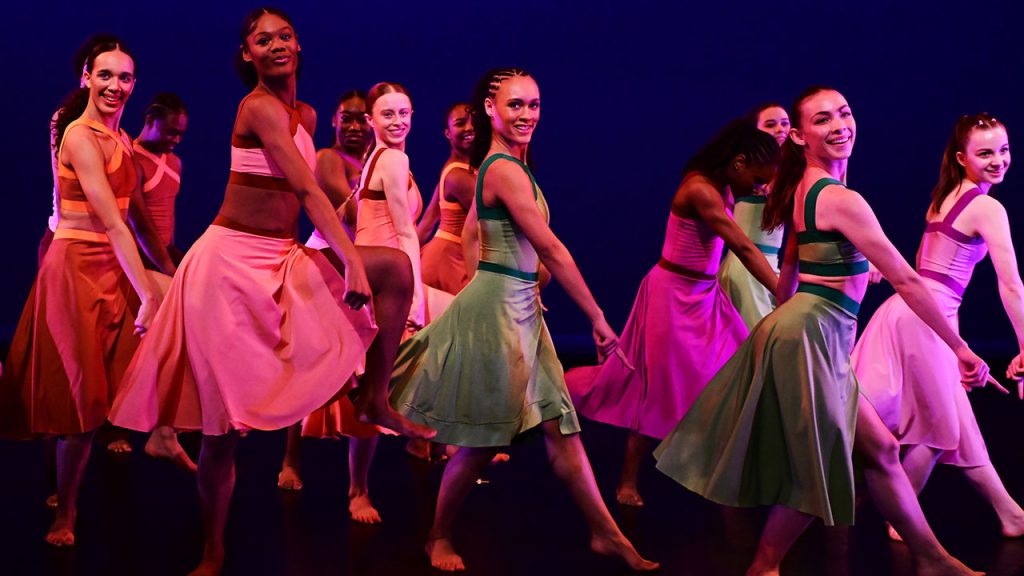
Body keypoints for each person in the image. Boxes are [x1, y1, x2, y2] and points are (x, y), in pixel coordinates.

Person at [109, 9, 431, 574]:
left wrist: (359, 231)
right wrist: (350, 259)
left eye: (284, 36)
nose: (276, 45)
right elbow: (304, 187)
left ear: (298, 44)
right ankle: (213, 549)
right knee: (222, 431)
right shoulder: (255, 107)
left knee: (399, 271)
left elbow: (315, 191)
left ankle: (375, 396)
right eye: (263, 40)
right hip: (229, 264)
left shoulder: (304, 113)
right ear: (247, 54)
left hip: (281, 258)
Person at [654, 86, 995, 576]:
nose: (839, 125)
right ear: (798, 135)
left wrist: (791, 318)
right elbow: (905, 278)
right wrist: (961, 347)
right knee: (823, 462)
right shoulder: (839, 198)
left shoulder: (803, 190)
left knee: (879, 450)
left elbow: (790, 270)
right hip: (813, 335)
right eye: (822, 120)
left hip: (811, 332)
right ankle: (766, 564)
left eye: (845, 113)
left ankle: (932, 558)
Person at [389, 67, 658, 573]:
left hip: (516, 307)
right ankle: (438, 536)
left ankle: (607, 534)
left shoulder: (506, 164)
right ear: (490, 109)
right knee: (481, 439)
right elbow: (551, 248)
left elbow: (471, 231)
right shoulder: (504, 170)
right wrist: (597, 317)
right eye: (516, 105)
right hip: (500, 316)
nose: (527, 114)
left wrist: (498, 278)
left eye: (533, 104)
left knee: (562, 428)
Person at [566, 120, 780, 507]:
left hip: (705, 294)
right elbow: (746, 249)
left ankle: (722, 470)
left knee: (736, 369)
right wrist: (785, 292)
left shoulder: (722, 184)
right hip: (671, 296)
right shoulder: (700, 189)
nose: (761, 187)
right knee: (657, 389)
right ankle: (627, 480)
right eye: (759, 178)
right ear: (738, 162)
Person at [0, 39, 161, 547]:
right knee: (79, 401)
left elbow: (136, 218)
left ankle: (164, 434)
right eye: (107, 75)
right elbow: (113, 224)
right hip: (75, 271)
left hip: (113, 268)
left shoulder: (123, 138)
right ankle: (65, 509)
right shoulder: (78, 135)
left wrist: (168, 273)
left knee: (161, 346)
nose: (117, 86)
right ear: (87, 77)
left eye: (126, 78)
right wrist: (150, 293)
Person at [852, 112, 1024, 540]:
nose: (998, 160)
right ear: (962, 157)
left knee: (950, 420)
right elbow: (1011, 284)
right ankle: (901, 517)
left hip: (913, 312)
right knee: (939, 423)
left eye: (1004, 150)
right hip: (928, 317)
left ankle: (1010, 513)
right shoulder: (986, 206)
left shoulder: (946, 195)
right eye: (985, 153)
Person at [277, 89, 373, 493]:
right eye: (345, 118)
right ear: (334, 122)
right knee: (309, 366)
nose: (353, 126)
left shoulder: (380, 161)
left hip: (364, 267)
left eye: (360, 118)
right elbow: (348, 208)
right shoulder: (328, 158)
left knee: (366, 374)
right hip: (327, 265)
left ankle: (358, 486)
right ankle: (290, 460)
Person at [418, 102, 476, 295]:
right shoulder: (456, 176)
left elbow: (427, 223)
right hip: (448, 261)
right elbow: (500, 221)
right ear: (448, 133)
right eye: (460, 123)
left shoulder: (460, 169)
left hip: (448, 257)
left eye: (474, 121)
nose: (469, 127)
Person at [133, 92, 189, 267]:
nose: (177, 140)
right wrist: (169, 270)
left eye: (181, 134)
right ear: (150, 121)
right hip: (140, 257)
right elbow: (140, 226)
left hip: (165, 254)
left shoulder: (175, 163)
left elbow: (168, 218)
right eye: (171, 132)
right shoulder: (132, 159)